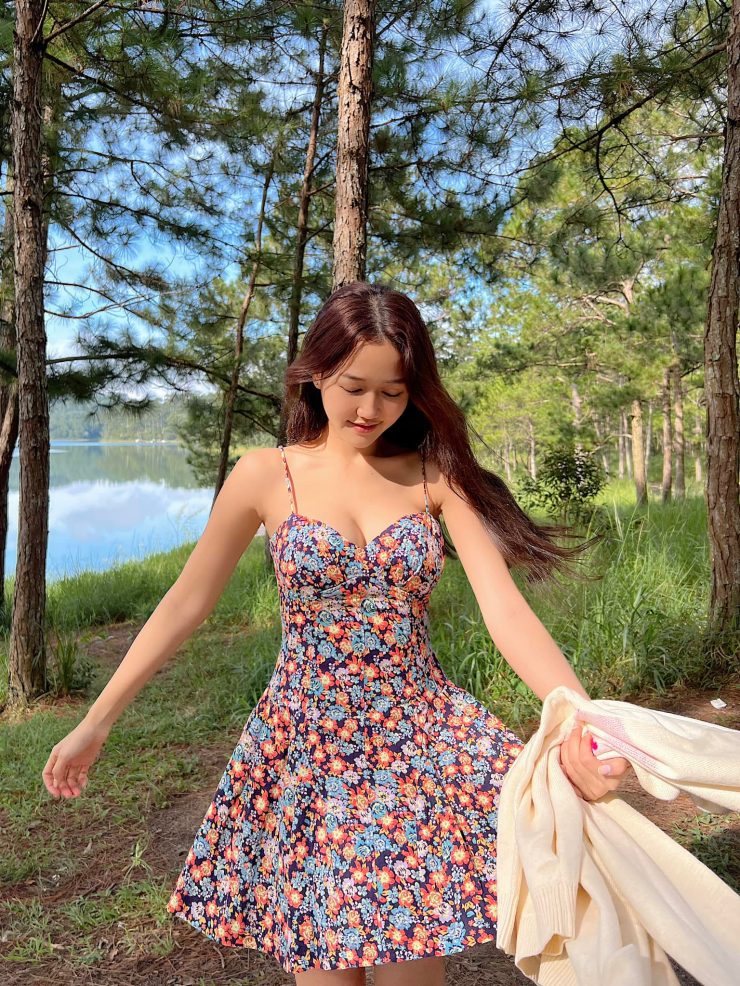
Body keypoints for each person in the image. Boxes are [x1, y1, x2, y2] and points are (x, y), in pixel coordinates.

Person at [42, 281, 631, 986]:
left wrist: (583, 717)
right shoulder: (266, 475)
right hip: (309, 751)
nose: (370, 410)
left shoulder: (433, 478)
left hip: (418, 746)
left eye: (393, 392)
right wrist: (97, 721)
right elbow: (184, 603)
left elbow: (506, 612)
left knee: (411, 965)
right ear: (315, 373)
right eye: (354, 387)